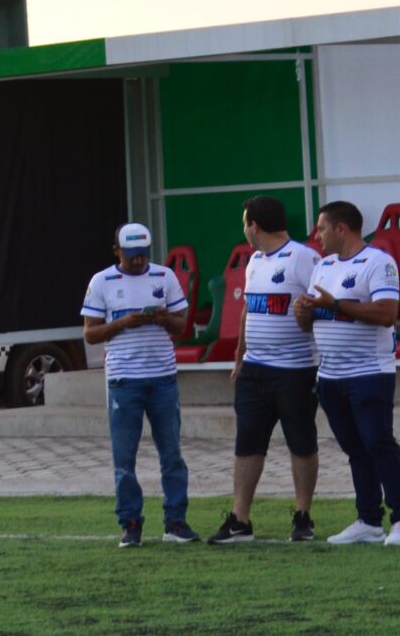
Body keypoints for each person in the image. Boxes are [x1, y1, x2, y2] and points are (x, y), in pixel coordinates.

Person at [302, 201, 400, 546]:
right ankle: (368, 519)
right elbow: (311, 322)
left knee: (379, 442)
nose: (318, 236)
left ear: (341, 228)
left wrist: (335, 304)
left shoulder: (378, 262)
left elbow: (387, 314)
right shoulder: (323, 267)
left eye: (322, 228)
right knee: (354, 448)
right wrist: (303, 312)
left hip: (369, 372)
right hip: (330, 375)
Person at [210, 195, 320, 544]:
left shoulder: (303, 258)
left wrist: (308, 320)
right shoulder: (254, 261)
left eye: (245, 224)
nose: (244, 230)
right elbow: (247, 310)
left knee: (301, 443)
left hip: (295, 370)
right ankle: (240, 520)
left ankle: (303, 516)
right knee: (247, 443)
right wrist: (239, 358)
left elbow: (321, 307)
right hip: (255, 369)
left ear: (254, 226)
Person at [81, 223, 194, 547]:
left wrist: (162, 318)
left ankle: (176, 521)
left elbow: (182, 326)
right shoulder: (102, 281)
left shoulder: (164, 276)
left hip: (163, 378)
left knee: (172, 454)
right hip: (123, 380)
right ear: (117, 251)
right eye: (131, 255)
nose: (138, 261)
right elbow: (90, 333)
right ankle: (130, 523)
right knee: (124, 458)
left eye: (143, 255)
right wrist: (123, 323)